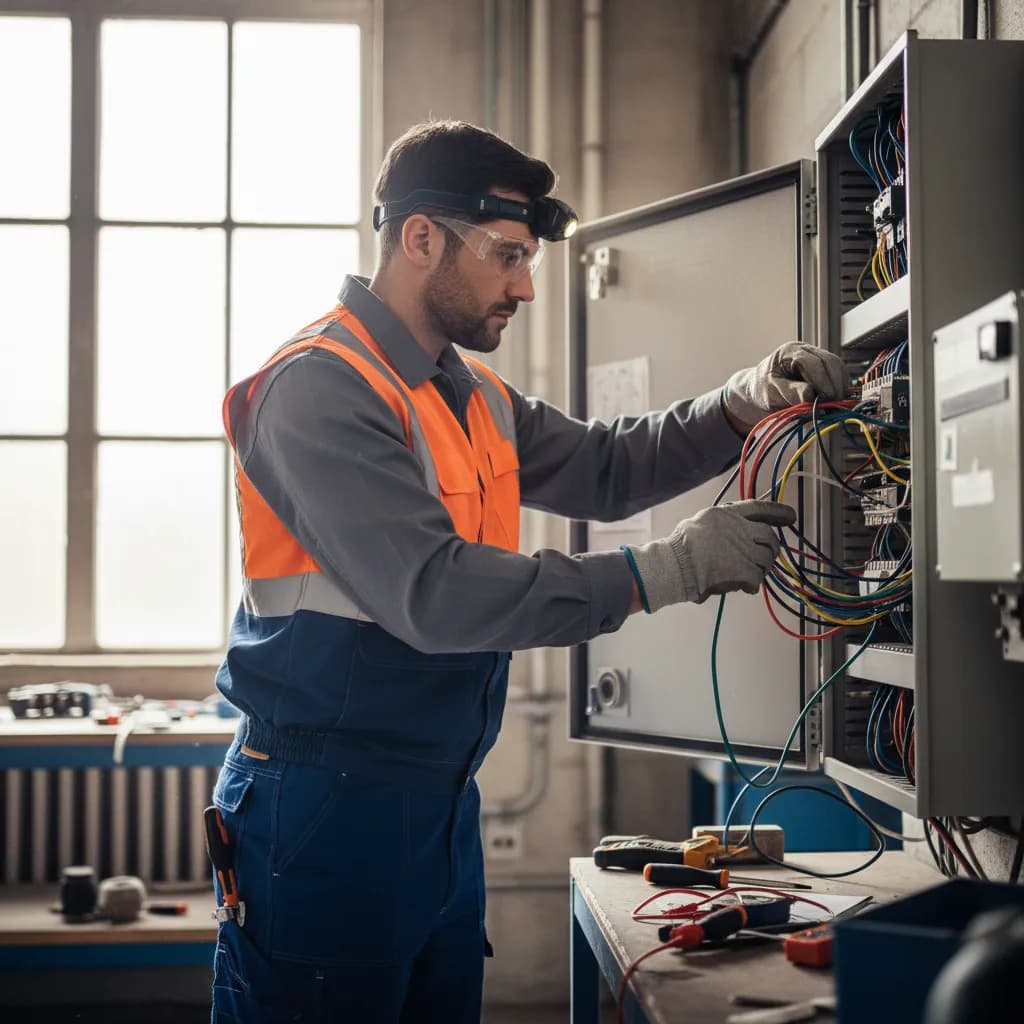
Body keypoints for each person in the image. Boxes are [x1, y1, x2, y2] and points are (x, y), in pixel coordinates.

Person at [209, 120, 845, 1022]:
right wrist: (667, 570)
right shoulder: (320, 386)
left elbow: (608, 466)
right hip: (319, 808)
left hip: (434, 797)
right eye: (507, 255)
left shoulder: (464, 391)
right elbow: (435, 594)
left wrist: (743, 402)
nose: (527, 286)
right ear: (420, 238)